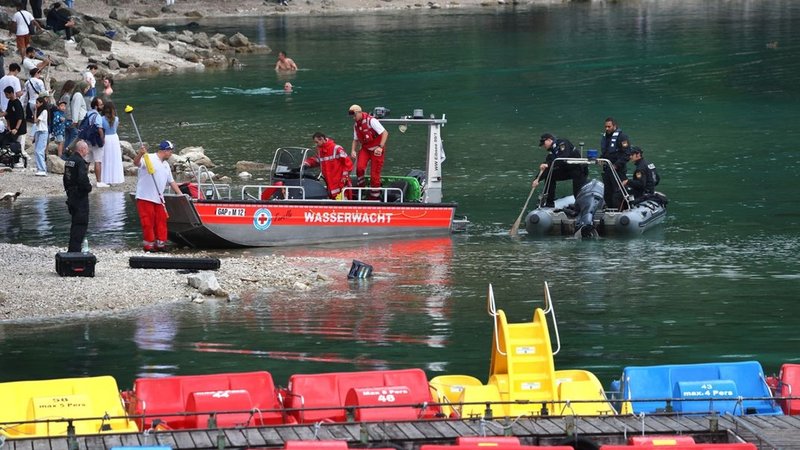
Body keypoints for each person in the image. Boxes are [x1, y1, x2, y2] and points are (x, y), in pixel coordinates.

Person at [133, 139, 182, 252]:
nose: (171, 153)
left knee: (161, 220)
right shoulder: (148, 158)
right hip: (145, 196)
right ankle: (148, 245)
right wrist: (140, 153)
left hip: (159, 198)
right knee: (148, 221)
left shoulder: (165, 165)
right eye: (171, 151)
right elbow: (136, 163)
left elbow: (171, 182)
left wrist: (180, 194)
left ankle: (160, 243)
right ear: (165, 151)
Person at [532, 133, 586, 207]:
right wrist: (537, 179)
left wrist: (548, 164)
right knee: (550, 176)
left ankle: (579, 206)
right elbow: (547, 168)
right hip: (567, 170)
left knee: (577, 189)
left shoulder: (562, 143)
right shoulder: (551, 152)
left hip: (578, 169)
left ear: (549, 140)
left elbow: (564, 157)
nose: (543, 146)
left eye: (544, 143)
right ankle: (549, 202)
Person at [349, 104, 388, 200]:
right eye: (352, 116)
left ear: (359, 112)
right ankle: (361, 189)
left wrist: (380, 147)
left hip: (377, 149)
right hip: (366, 148)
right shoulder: (356, 125)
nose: (353, 118)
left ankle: (375, 197)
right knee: (359, 168)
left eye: (354, 115)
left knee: (375, 175)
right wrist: (353, 150)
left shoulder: (371, 121)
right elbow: (355, 139)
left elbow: (385, 133)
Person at [303, 132, 353, 200]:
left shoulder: (336, 149)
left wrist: (344, 176)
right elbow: (316, 160)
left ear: (322, 139)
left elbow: (348, 163)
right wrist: (306, 163)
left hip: (339, 181)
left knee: (342, 198)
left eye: (317, 142)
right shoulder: (321, 151)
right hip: (330, 181)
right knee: (333, 197)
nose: (316, 144)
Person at [63, 139, 92, 252]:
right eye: (87, 149)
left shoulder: (69, 160)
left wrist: (68, 191)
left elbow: (65, 178)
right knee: (81, 223)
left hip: (71, 195)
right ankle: (75, 251)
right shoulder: (80, 162)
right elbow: (82, 179)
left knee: (75, 223)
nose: (87, 152)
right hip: (80, 196)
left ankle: (72, 249)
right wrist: (88, 188)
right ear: (82, 149)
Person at [599, 117, 631, 210]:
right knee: (608, 193)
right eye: (605, 127)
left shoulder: (622, 137)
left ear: (614, 126)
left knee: (618, 193)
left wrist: (616, 165)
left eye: (609, 126)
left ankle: (622, 210)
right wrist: (601, 159)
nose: (607, 129)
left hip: (618, 170)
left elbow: (627, 154)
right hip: (608, 169)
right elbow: (606, 153)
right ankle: (610, 210)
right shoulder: (606, 137)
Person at [100, 101, 123, 185]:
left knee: (106, 158)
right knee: (115, 158)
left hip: (106, 138)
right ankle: (115, 178)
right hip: (114, 138)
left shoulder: (101, 119)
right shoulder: (116, 119)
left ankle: (106, 178)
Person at [85, 96, 105, 186]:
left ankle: (84, 179)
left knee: (87, 161)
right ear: (96, 106)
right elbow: (100, 129)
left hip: (88, 140)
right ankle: (99, 181)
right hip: (96, 141)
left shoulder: (88, 113)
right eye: (101, 104)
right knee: (98, 161)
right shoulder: (97, 116)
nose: (102, 106)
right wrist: (102, 139)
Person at [67, 80, 88, 149]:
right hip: (80, 119)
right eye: (86, 88)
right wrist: (75, 121)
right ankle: (69, 151)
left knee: (75, 137)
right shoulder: (78, 95)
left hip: (79, 119)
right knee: (77, 137)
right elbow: (76, 108)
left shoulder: (77, 95)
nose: (87, 90)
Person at [31, 95, 48, 175]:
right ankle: (39, 168)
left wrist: (35, 111)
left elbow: (35, 120)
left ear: (41, 103)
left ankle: (42, 169)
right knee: (37, 150)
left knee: (39, 150)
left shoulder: (44, 111)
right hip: (38, 131)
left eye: (37, 103)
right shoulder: (40, 111)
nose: (36, 104)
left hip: (43, 132)